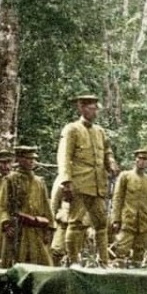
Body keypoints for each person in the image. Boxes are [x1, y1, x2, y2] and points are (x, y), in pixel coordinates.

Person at [57, 94, 118, 266]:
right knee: (75, 223)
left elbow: (107, 151)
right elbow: (64, 157)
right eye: (91, 109)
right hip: (80, 184)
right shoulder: (71, 129)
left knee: (101, 223)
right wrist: (66, 182)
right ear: (81, 108)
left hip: (99, 185)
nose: (95, 112)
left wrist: (111, 163)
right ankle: (73, 261)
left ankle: (104, 261)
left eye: (96, 108)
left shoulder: (100, 131)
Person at [0, 146, 55, 266]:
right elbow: (3, 205)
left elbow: (46, 206)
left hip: (36, 229)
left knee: (41, 263)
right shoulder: (10, 179)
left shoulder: (39, 182)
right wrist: (6, 224)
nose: (31, 161)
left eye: (33, 159)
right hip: (18, 229)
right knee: (17, 263)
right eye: (28, 158)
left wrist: (49, 228)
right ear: (19, 159)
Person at [110, 148, 147, 266]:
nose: (142, 161)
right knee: (121, 251)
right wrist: (116, 220)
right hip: (127, 221)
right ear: (135, 160)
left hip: (144, 223)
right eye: (140, 158)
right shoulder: (125, 176)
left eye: (145, 159)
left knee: (139, 254)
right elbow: (117, 198)